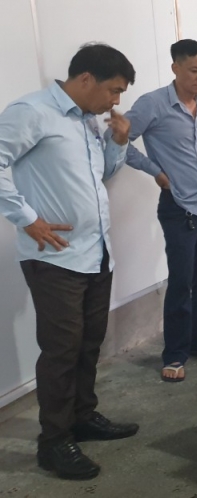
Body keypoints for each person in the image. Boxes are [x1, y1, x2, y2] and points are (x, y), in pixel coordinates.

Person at [0, 43, 139, 480]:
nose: (115, 101)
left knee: (88, 342)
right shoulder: (32, 112)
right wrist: (27, 219)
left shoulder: (87, 121)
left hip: (96, 253)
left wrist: (119, 143)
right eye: (114, 90)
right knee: (61, 351)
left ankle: (82, 416)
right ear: (85, 79)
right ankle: (54, 442)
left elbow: (100, 177)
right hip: (56, 259)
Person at [124, 39, 197, 383]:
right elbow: (118, 141)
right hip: (179, 206)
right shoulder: (152, 104)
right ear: (175, 68)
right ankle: (176, 354)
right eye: (194, 70)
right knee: (181, 281)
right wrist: (155, 171)